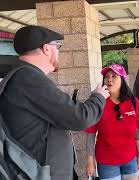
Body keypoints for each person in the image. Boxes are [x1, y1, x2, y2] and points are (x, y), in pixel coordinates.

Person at [0, 25, 109, 180]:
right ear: (46, 49)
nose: (58, 52)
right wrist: (99, 97)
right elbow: (79, 117)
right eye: (57, 46)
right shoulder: (28, 79)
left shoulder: (25, 77)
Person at [86, 64, 139, 180]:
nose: (109, 79)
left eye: (114, 76)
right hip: (107, 162)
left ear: (122, 80)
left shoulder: (134, 102)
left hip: (130, 159)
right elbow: (91, 135)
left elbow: (137, 131)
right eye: (106, 76)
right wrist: (90, 160)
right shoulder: (98, 104)